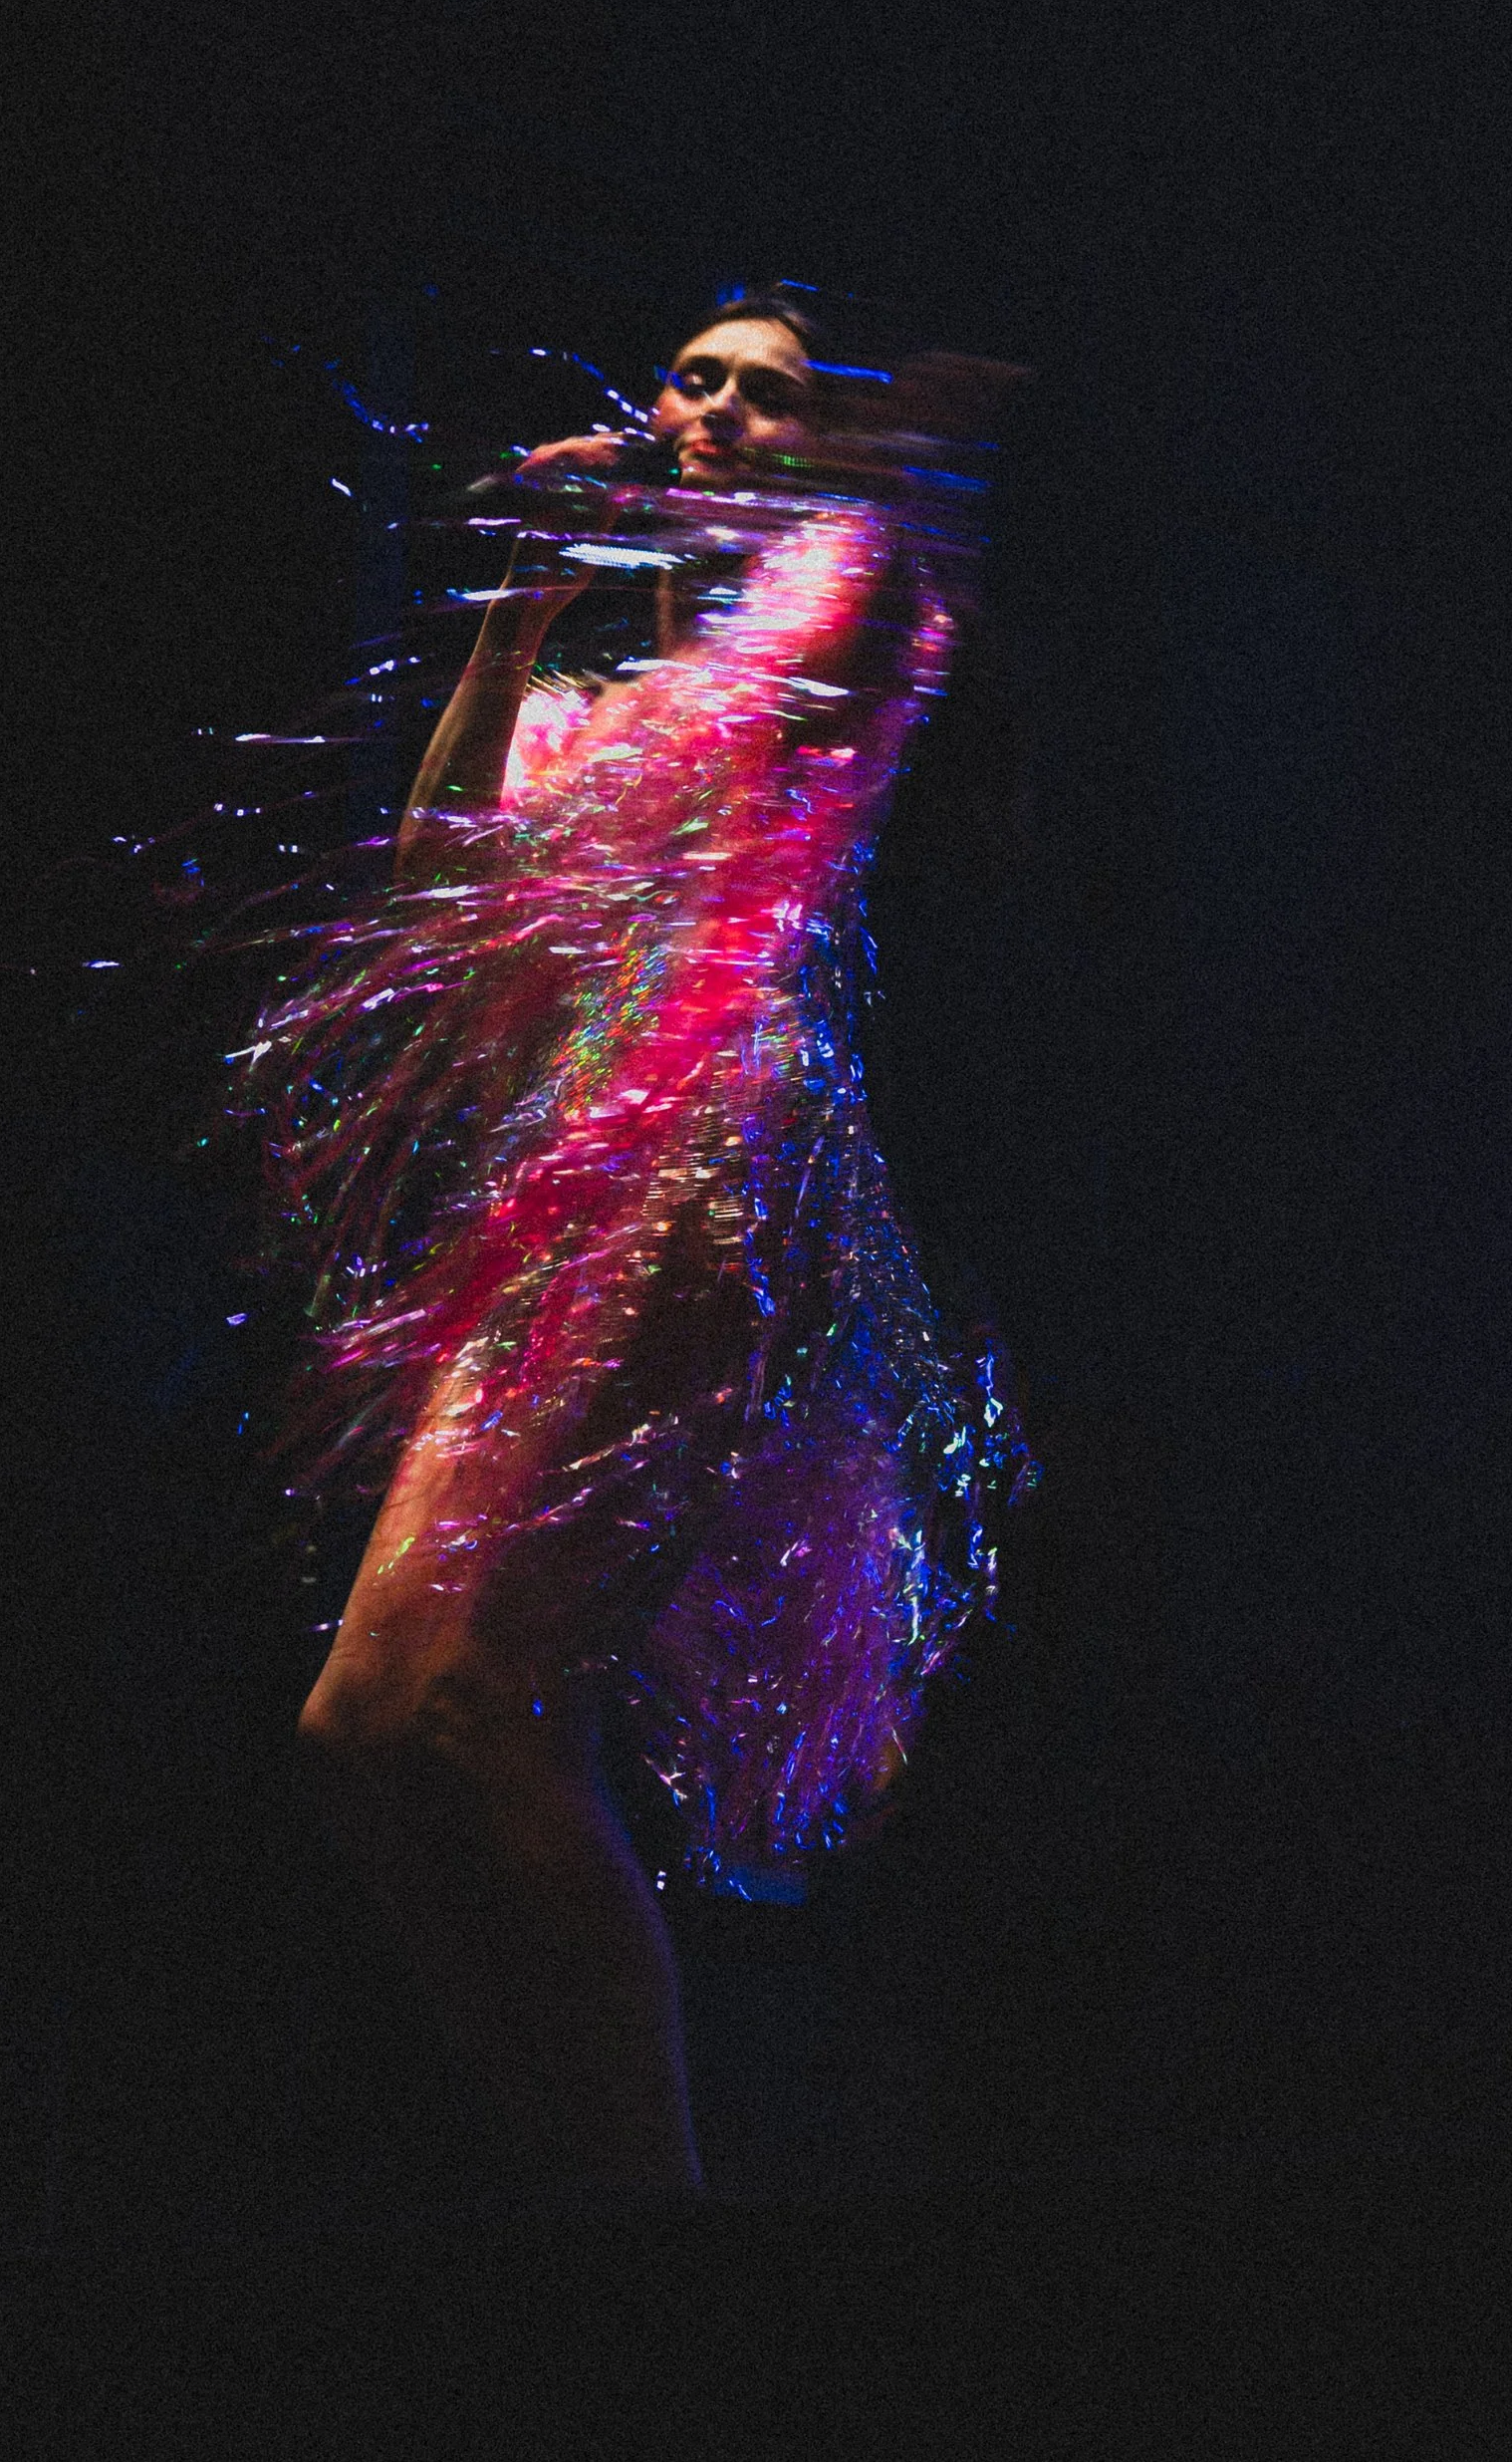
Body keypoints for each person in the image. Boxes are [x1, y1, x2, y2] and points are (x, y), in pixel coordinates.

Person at [238, 289, 1035, 2203]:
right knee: (358, 1730)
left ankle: (645, 2233)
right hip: (549, 1215)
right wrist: (517, 614)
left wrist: (885, 458)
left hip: (692, 1197)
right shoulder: (605, 713)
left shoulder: (840, 629)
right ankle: (558, 2190)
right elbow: (442, 880)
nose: (719, 414)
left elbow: (884, 563)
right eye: (697, 380)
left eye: (771, 394)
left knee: (482, 1712)